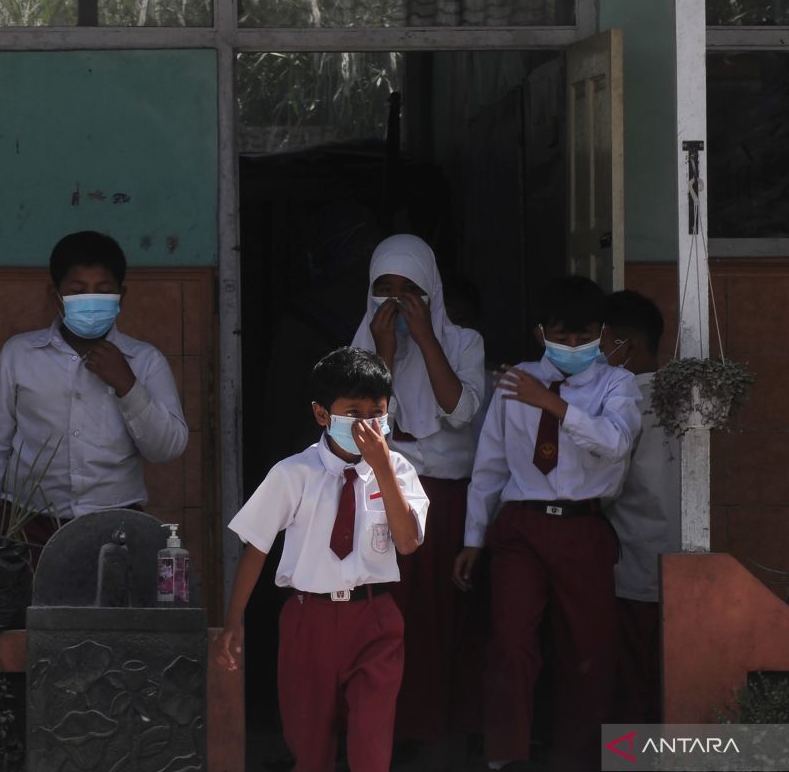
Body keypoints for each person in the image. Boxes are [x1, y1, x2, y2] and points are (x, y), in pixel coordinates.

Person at [453, 275, 641, 771]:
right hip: (521, 527)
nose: (573, 347)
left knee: (588, 647)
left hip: (583, 527)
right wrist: (474, 537)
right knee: (511, 641)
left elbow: (617, 441)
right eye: (562, 337)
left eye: (584, 337)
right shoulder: (513, 381)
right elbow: (490, 466)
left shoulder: (616, 383)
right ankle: (506, 756)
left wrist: (554, 405)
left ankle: (576, 757)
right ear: (541, 334)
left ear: (602, 334)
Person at [216, 347, 430, 772]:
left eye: (378, 412)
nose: (368, 425)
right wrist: (235, 619)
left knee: (371, 745)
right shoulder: (293, 473)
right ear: (322, 415)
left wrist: (383, 468)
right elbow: (256, 547)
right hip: (307, 618)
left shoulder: (400, 470)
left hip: (374, 616)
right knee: (309, 743)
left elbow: (407, 543)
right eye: (354, 413)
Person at [0, 231, 187, 552]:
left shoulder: (145, 361)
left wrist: (127, 385)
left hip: (115, 527)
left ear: (122, 296)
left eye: (103, 291)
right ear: (55, 295)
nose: (90, 300)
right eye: (77, 291)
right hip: (27, 525)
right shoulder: (20, 354)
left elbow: (167, 448)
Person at [350, 235, 486, 751]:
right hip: (377, 500)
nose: (396, 301)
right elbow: (358, 426)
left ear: (433, 293)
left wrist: (426, 339)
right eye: (384, 289)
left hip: (443, 501)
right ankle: (383, 735)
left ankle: (435, 734)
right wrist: (383, 353)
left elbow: (459, 410)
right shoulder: (359, 349)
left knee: (437, 622)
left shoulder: (464, 342)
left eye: (411, 290)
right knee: (384, 621)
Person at [601, 290, 681, 724]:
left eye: (597, 344)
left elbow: (603, 489)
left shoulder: (619, 402)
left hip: (630, 567)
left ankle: (629, 761)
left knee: (631, 689)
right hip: (686, 565)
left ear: (623, 345)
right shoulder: (687, 399)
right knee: (672, 687)